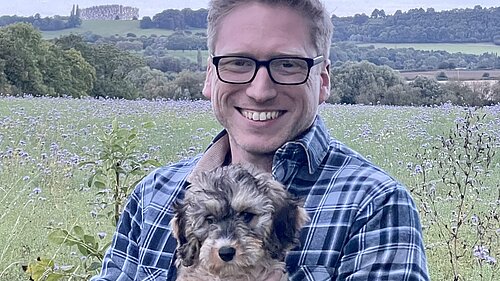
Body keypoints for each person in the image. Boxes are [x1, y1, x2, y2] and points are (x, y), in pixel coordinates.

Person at [92, 0, 429, 280]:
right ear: (210, 77)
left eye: (287, 64)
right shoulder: (153, 194)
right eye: (238, 63)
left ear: (323, 80)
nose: (260, 90)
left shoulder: (374, 205)